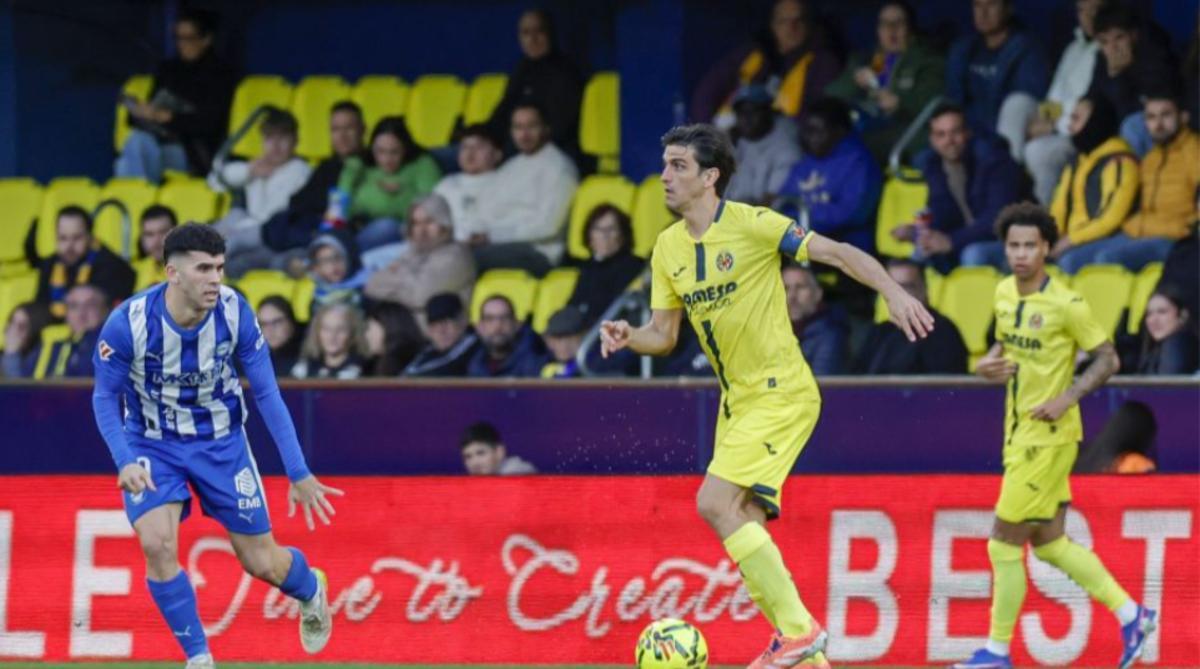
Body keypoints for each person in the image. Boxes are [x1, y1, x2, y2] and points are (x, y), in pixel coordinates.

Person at [599, 123, 932, 668]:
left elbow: (840, 252)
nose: (664, 176)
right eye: (664, 164)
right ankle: (808, 655)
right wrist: (629, 335)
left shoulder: (754, 225)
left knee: (713, 501)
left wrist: (892, 292)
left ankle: (799, 633)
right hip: (736, 405)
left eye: (678, 165)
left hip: (781, 391)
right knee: (743, 515)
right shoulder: (667, 248)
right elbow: (664, 336)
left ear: (710, 177)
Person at [90, 224, 339, 668]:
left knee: (261, 562)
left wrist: (297, 471)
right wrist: (124, 461)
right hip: (152, 441)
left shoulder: (235, 312)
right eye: (203, 269)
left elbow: (266, 393)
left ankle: (310, 588)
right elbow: (104, 396)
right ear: (173, 273)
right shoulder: (127, 324)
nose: (215, 279)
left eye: (219, 268)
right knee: (157, 544)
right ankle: (199, 658)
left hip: (221, 443)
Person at [954, 202, 1153, 669]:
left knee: (1001, 542)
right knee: (1050, 543)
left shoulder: (1067, 302)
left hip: (1048, 436)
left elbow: (1108, 358)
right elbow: (1003, 346)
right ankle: (1133, 615)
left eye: (1030, 245)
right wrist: (987, 363)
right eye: (1014, 245)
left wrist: (1068, 397)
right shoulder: (1003, 292)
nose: (1021, 254)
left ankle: (997, 653)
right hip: (1018, 431)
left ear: (1046, 249)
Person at [114, 9, 236, 182]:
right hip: (158, 141)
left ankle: (143, 205)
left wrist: (168, 117)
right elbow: (149, 114)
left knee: (134, 153)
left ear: (206, 39)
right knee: (126, 160)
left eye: (189, 38)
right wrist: (141, 112)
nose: (182, 44)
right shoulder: (168, 69)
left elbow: (211, 125)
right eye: (178, 38)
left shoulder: (221, 74)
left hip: (192, 152)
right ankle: (145, 204)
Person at [825, 0, 945, 162]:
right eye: (885, 24)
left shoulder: (927, 60)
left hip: (904, 130)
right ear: (878, 30)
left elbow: (933, 104)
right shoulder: (865, 59)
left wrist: (900, 103)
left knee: (854, 147)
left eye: (898, 23)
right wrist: (854, 81)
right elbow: (830, 95)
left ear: (911, 28)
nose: (891, 30)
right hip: (865, 124)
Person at [1089, 93, 1199, 271]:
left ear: (1183, 117)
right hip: (1138, 231)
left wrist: (1189, 231)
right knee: (1070, 261)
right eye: (1151, 117)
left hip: (1173, 238)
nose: (1158, 124)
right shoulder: (1150, 158)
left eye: (1166, 115)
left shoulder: (1194, 152)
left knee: (1106, 259)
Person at [691, 0, 841, 127]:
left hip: (786, 140)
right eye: (783, 21)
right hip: (734, 133)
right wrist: (706, 130)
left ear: (809, 25)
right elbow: (708, 90)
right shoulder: (752, 53)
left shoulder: (823, 62)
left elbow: (816, 114)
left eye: (798, 20)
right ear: (773, 26)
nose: (791, 28)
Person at [914, 103, 1024, 273]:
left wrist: (951, 241)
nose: (949, 141)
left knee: (973, 255)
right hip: (969, 237)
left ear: (967, 133)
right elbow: (942, 212)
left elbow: (998, 220)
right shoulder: (934, 166)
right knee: (919, 253)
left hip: (1014, 239)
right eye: (941, 134)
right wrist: (922, 233)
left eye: (955, 132)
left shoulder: (995, 161)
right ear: (933, 140)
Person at [471, 103, 578, 276]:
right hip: (496, 244)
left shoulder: (560, 168)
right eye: (518, 127)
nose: (524, 134)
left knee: (467, 260)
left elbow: (548, 227)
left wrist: (494, 236)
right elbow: (485, 209)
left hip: (539, 252)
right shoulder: (511, 166)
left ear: (546, 128)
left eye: (532, 126)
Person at [260, 101, 368, 265]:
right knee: (236, 258)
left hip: (330, 240)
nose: (342, 136)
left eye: (349, 128)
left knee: (274, 261)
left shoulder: (370, 166)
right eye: (336, 129)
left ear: (362, 130)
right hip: (300, 234)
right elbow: (298, 202)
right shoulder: (326, 166)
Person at [209, 107, 312, 278]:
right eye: (270, 138)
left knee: (230, 254)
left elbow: (272, 217)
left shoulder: (301, 171)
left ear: (295, 140)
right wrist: (249, 171)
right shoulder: (258, 166)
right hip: (247, 232)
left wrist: (236, 230)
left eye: (282, 137)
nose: (276, 145)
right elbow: (214, 181)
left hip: (272, 239)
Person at [1023, 0, 1107, 204]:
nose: (1088, 16)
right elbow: (1055, 95)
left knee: (1039, 151)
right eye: (1081, 10)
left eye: (1094, 10)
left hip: (1080, 134)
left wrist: (1052, 125)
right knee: (1019, 110)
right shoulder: (1073, 48)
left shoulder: (1107, 49)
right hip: (1057, 125)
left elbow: (1090, 105)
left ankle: (1046, 222)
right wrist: (1042, 120)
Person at [945, 0, 1049, 163]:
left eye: (991, 5)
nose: (983, 13)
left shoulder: (1027, 49)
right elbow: (954, 100)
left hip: (1004, 136)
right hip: (966, 135)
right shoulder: (963, 49)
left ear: (1008, 8)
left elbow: (1024, 103)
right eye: (977, 6)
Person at [775, 97, 881, 253]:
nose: (810, 138)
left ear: (839, 132)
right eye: (807, 131)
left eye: (818, 131)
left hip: (846, 247)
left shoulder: (859, 161)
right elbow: (784, 202)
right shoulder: (808, 159)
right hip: (805, 238)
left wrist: (802, 219)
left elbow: (853, 214)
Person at [1048, 95, 1139, 274]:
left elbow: (1111, 219)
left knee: (1069, 262)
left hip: (1108, 238)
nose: (1069, 126)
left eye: (1076, 119)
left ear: (1096, 121)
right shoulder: (1077, 161)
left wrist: (1069, 241)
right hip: (1073, 238)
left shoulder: (1120, 161)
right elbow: (1057, 210)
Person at [487, 9, 585, 167]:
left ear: (550, 34)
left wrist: (514, 142)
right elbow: (504, 110)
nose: (532, 39)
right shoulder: (522, 68)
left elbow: (561, 128)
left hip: (549, 149)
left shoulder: (566, 72)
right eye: (526, 33)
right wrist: (481, 137)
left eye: (539, 31)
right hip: (516, 143)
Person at [1086, 4, 1179, 157]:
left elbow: (1140, 110)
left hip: (1151, 127)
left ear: (1134, 35)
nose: (1112, 47)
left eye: (1119, 37)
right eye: (1104, 41)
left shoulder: (1154, 56)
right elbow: (1094, 95)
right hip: (1114, 128)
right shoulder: (1102, 59)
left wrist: (1117, 76)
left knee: (1132, 126)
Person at [363, 194, 476, 320]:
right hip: (403, 326)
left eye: (429, 222)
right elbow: (372, 285)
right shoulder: (414, 251)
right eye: (416, 223)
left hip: (437, 332)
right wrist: (411, 280)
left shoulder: (456, 255)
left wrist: (398, 273)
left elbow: (420, 296)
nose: (422, 230)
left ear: (444, 223)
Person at [338, 116, 442, 253]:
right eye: (380, 151)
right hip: (356, 227)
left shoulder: (422, 165)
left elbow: (432, 208)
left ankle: (342, 254)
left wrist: (400, 196)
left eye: (394, 152)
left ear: (405, 148)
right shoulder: (362, 164)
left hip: (402, 233)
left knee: (388, 226)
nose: (386, 159)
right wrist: (349, 176)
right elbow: (339, 206)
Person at [853, 260, 968, 374]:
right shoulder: (880, 331)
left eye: (908, 287)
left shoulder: (943, 331)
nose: (900, 295)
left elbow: (946, 386)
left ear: (925, 289)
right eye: (893, 289)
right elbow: (855, 381)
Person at [36, 206, 136, 318]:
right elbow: (41, 305)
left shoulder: (110, 264)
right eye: (63, 238)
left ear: (89, 236)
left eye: (77, 238)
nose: (69, 246)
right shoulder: (49, 265)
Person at [567, 204, 645, 326]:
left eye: (611, 229)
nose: (604, 235)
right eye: (598, 229)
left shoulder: (634, 267)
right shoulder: (588, 267)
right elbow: (572, 306)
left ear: (623, 235)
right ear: (589, 236)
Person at [723, 84, 802, 206]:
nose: (745, 119)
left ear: (769, 112)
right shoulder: (738, 140)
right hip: (736, 214)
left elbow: (769, 203)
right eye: (741, 113)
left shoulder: (786, 148)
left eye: (752, 112)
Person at [434, 124, 504, 243]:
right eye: (465, 147)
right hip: (443, 244)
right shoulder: (446, 184)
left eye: (479, 147)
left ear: (497, 154)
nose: (470, 153)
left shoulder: (506, 182)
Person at [782, 262, 847, 376]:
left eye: (800, 287)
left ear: (818, 294)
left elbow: (822, 384)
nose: (791, 296)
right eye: (785, 288)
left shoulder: (830, 335)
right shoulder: (767, 330)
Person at [466, 295, 548, 378]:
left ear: (517, 324)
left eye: (505, 318)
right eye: (489, 319)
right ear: (480, 327)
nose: (497, 326)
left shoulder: (537, 361)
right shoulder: (473, 362)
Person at [39, 284, 110, 379]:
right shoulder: (55, 343)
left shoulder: (111, 344)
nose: (81, 313)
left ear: (104, 310)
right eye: (74, 306)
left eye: (90, 305)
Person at [402, 293, 480, 377]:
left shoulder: (476, 346)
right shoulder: (428, 351)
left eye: (446, 323)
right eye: (433, 325)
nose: (441, 331)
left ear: (463, 320)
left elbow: (448, 365)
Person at [290, 302, 368, 380]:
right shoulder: (303, 368)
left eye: (341, 329)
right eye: (326, 329)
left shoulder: (364, 369)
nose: (332, 336)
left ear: (353, 334)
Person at [1136, 287, 1198, 375]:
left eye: (1162, 312)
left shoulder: (1177, 343)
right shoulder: (1157, 349)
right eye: (1149, 314)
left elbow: (1166, 385)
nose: (1154, 320)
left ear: (1182, 316)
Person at [306, 232, 368, 310]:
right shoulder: (314, 299)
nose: (334, 264)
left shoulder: (365, 285)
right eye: (326, 261)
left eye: (337, 257)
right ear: (316, 268)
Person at [362, 301, 425, 377]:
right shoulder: (370, 366)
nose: (366, 335)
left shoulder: (416, 366)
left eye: (369, 328)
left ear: (388, 326)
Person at [458, 421, 537, 475]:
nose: (474, 463)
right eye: (468, 457)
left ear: (500, 452)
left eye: (481, 453)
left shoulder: (519, 473)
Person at [133, 205, 178, 291]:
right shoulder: (134, 272)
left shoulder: (192, 270)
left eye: (163, 232)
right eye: (149, 234)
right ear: (141, 238)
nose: (156, 241)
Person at [257, 295, 304, 378]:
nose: (269, 330)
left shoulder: (310, 354)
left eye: (276, 322)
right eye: (263, 324)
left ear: (291, 321)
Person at [1, 302, 51, 379]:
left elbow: (18, 388)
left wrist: (11, 354)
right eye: (11, 322)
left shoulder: (41, 358)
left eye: (21, 326)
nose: (13, 330)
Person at [540, 305, 587, 378]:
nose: (552, 345)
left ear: (582, 336)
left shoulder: (592, 366)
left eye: (560, 338)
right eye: (552, 338)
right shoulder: (544, 361)